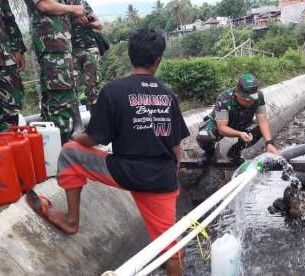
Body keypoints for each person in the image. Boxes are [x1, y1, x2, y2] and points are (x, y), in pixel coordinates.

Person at [26, 28, 189, 276]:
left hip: (123, 171)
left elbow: (94, 139)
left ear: (130, 55)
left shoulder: (114, 91)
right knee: (170, 249)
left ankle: (71, 221)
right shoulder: (169, 95)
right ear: (158, 60)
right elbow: (177, 145)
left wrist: (75, 138)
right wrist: (171, 173)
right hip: (161, 179)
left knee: (70, 152)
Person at [23, 0, 84, 141]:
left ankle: (54, 152)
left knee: (58, 100)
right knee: (60, 101)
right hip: (51, 47)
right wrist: (73, 9)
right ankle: (60, 153)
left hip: (60, 46)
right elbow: (44, 5)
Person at [196, 73, 279, 164]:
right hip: (221, 125)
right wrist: (240, 134)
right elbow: (222, 128)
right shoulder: (224, 98)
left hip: (242, 123)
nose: (249, 102)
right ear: (236, 93)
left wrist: (269, 143)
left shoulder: (259, 96)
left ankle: (235, 151)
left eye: (252, 99)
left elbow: (262, 120)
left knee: (261, 129)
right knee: (203, 137)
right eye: (245, 99)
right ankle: (209, 153)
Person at [0, 0, 27, 131]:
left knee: (11, 109)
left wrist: (17, 49)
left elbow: (9, 19)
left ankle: (11, 146)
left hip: (5, 59)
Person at [70, 0, 102, 107]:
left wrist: (88, 23)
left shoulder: (82, 3)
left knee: (92, 85)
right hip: (71, 51)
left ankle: (96, 117)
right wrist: (73, 23)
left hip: (90, 48)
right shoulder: (61, 5)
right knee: (70, 85)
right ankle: (75, 119)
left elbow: (99, 25)